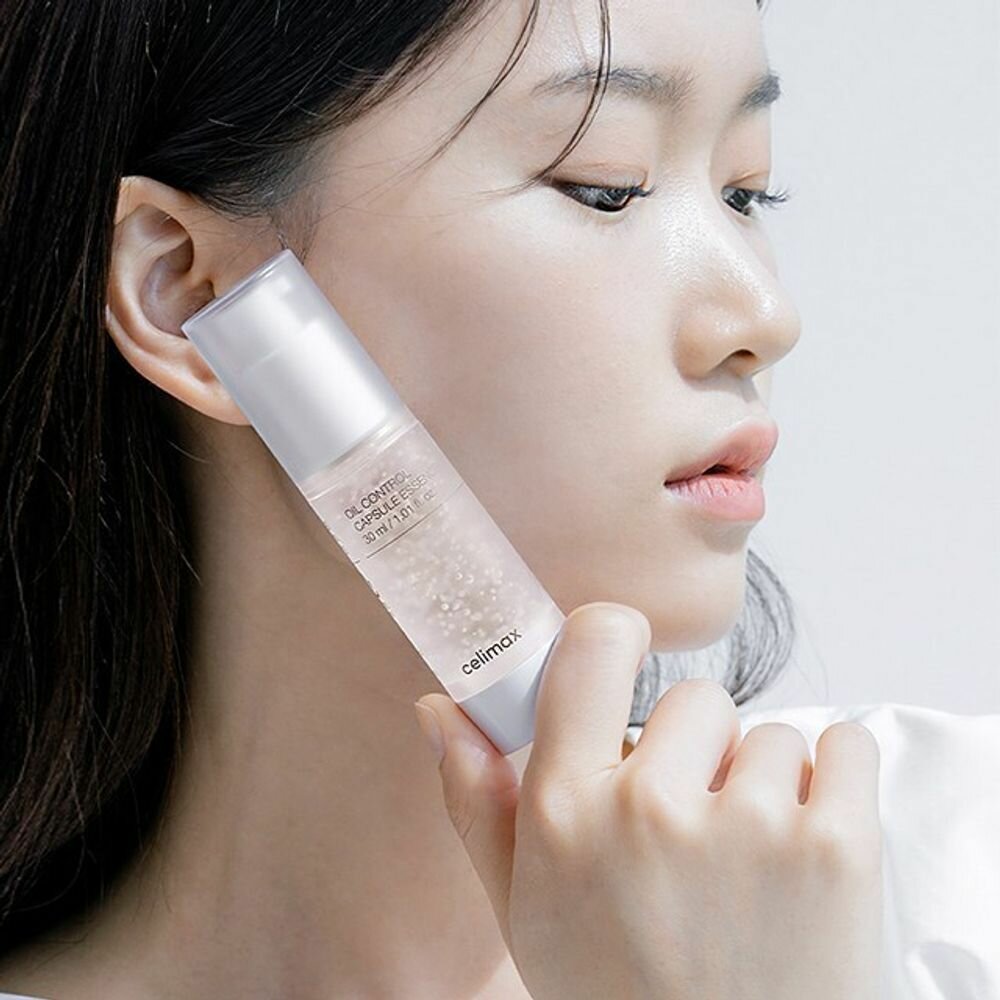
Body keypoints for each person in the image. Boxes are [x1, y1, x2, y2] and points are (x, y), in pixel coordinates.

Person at [0, 0, 887, 997]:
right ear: (190, 292)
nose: (766, 315)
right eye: (606, 188)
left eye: (746, 193)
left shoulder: (951, 873)